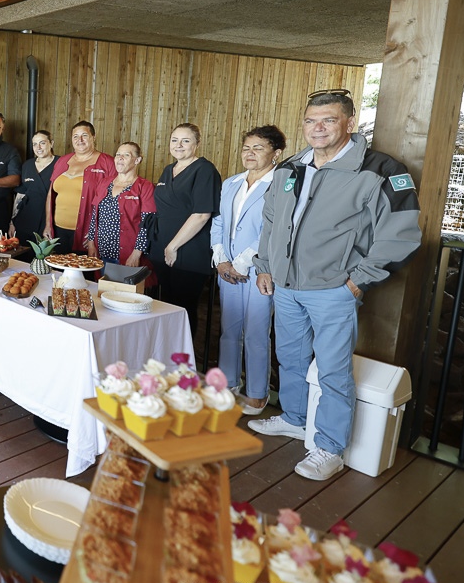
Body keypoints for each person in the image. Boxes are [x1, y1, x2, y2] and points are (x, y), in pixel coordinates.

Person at [249, 91, 420, 481]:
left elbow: (402, 233)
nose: (317, 128)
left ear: (349, 123)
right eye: (311, 121)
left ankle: (329, 446)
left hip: (334, 291)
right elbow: (272, 221)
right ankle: (294, 418)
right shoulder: (291, 166)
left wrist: (358, 282)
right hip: (286, 285)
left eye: (328, 120)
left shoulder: (380, 170)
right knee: (290, 358)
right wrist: (265, 266)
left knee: (333, 371)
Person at [210, 125, 286, 415]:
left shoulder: (280, 184)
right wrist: (220, 256)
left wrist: (244, 260)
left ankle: (257, 393)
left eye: (258, 148)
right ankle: (228, 384)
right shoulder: (231, 182)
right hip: (227, 266)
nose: (250, 153)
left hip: (259, 268)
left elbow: (275, 228)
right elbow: (219, 221)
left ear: (276, 153)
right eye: (246, 148)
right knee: (228, 329)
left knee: (256, 331)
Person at [148, 123, 221, 333]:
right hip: (162, 250)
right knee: (166, 306)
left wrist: (172, 246)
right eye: (174, 140)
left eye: (185, 140)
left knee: (183, 310)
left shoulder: (204, 170)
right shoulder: (168, 170)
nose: (179, 145)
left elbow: (201, 214)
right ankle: (166, 356)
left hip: (187, 252)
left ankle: (183, 361)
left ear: (197, 144)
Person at [84, 142, 156, 274]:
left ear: (137, 160)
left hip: (127, 255)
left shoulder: (145, 186)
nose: (120, 158)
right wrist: (91, 242)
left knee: (121, 293)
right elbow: (95, 214)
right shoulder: (104, 183)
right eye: (118, 154)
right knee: (100, 291)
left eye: (126, 155)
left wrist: (136, 254)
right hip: (101, 252)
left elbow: (148, 224)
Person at [45, 121, 116, 250]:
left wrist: (97, 232)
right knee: (59, 268)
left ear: (93, 137)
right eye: (75, 136)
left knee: (82, 269)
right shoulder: (62, 161)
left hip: (86, 233)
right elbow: (51, 193)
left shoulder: (107, 163)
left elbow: (114, 201)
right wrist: (48, 225)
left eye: (84, 135)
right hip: (58, 230)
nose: (80, 140)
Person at [10, 129, 58, 249]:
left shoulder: (60, 163)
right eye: (35, 144)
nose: (38, 147)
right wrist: (12, 222)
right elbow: (20, 194)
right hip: (25, 218)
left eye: (42, 143)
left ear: (51, 143)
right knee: (21, 258)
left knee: (43, 259)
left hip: (48, 221)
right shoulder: (27, 165)